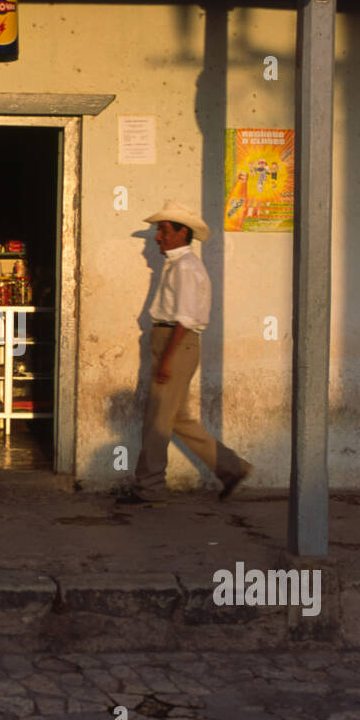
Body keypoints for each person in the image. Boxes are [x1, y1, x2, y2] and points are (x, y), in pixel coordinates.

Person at [118, 201, 252, 507]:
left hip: (176, 343)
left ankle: (148, 488)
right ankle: (232, 468)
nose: (158, 237)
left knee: (157, 421)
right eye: (158, 230)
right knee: (176, 418)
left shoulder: (186, 268)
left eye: (163, 230)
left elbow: (186, 318)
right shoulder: (178, 266)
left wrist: (167, 358)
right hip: (172, 341)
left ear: (182, 232)